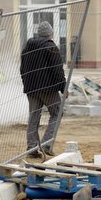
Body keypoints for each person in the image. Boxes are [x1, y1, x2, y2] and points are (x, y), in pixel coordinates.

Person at [20, 21, 66, 157]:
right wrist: (63, 87)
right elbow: (57, 70)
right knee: (57, 113)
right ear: (50, 34)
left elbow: (22, 69)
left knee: (33, 116)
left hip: (31, 88)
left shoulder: (27, 47)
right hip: (47, 88)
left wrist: (27, 83)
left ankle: (32, 148)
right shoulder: (51, 47)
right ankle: (47, 144)